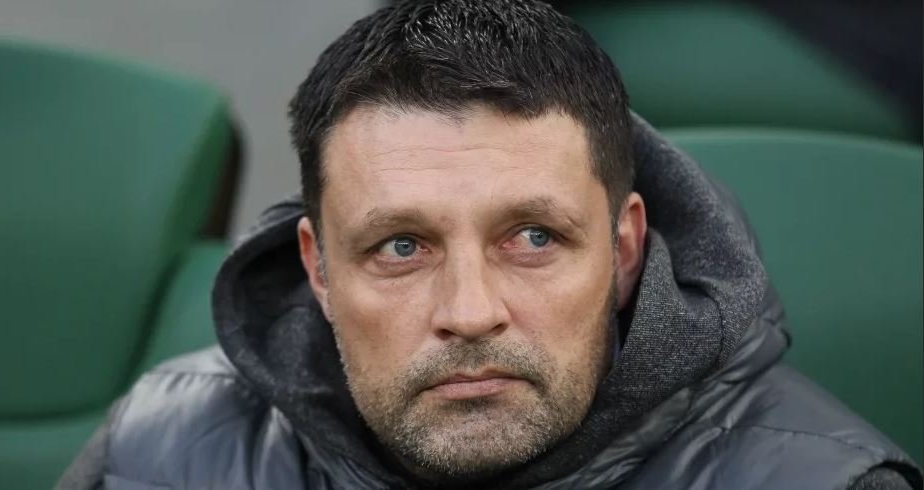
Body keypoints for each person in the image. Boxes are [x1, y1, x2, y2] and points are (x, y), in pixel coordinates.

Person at [58, 1, 922, 488]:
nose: (470, 313)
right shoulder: (157, 451)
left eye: (533, 237)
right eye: (401, 247)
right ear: (317, 268)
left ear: (624, 250)